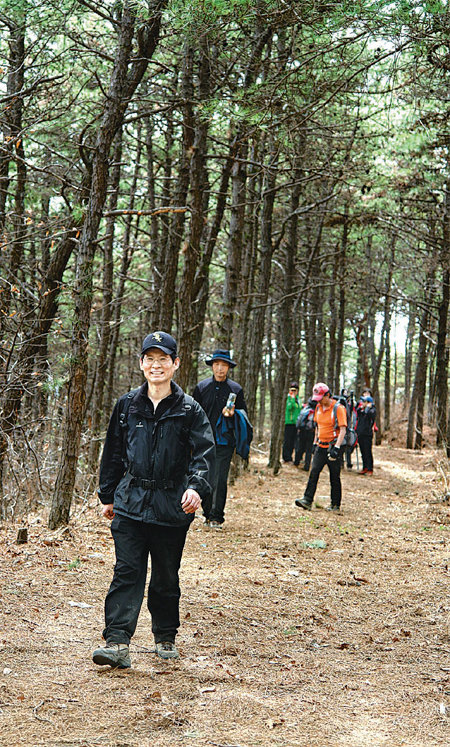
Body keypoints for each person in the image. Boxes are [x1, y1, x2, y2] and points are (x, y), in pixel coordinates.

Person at [92, 331, 215, 668]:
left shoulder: (189, 409)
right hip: (130, 503)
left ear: (175, 364)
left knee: (165, 576)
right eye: (150, 359)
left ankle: (165, 635)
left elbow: (204, 455)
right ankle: (117, 642)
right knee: (127, 571)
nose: (156, 365)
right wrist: (108, 495)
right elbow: (113, 453)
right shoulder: (126, 405)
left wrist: (196, 488)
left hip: (171, 506)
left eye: (164, 359)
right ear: (141, 363)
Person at [193, 349, 248, 530]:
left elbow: (244, 415)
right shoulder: (201, 388)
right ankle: (207, 513)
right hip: (203, 441)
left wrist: (233, 414)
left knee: (219, 479)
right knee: (205, 477)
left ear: (228, 368)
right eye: (216, 365)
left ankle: (216, 516)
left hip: (225, 441)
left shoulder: (235, 389)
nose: (220, 369)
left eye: (223, 365)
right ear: (212, 366)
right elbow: (193, 414)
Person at [295, 382, 347, 512]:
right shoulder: (318, 408)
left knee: (334, 476)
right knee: (314, 472)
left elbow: (343, 430)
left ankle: (335, 504)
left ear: (328, 395)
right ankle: (307, 500)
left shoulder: (338, 408)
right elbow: (318, 427)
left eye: (321, 398)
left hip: (333, 446)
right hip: (321, 446)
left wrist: (337, 448)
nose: (320, 401)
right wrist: (315, 443)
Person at [356, 388, 376, 475]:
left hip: (367, 434)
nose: (362, 403)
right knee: (362, 451)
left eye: (364, 401)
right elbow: (357, 412)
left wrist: (367, 408)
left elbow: (370, 415)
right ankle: (364, 467)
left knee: (368, 451)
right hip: (360, 433)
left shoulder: (372, 410)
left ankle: (370, 468)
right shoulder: (361, 410)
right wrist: (362, 408)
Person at [295, 394, 317, 471]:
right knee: (309, 449)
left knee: (300, 447)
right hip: (311, 431)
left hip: (302, 430)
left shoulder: (304, 409)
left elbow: (299, 421)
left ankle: (296, 462)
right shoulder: (316, 411)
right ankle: (307, 465)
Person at [282, 382, 302, 464]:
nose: (293, 392)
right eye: (292, 390)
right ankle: (286, 457)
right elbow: (290, 407)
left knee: (293, 441)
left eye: (295, 390)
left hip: (296, 423)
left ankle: (290, 457)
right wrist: (292, 398)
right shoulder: (289, 398)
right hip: (289, 422)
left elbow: (299, 409)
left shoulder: (299, 399)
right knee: (287, 441)